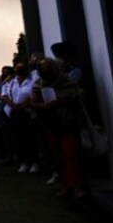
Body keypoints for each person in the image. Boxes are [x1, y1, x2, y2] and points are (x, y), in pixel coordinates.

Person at [31, 57, 86, 199]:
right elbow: (33, 103)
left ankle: (77, 186)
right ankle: (66, 185)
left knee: (71, 155)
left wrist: (60, 101)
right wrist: (46, 105)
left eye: (47, 66)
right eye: (42, 67)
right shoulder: (39, 84)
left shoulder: (66, 81)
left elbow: (77, 96)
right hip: (50, 122)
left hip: (67, 121)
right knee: (58, 156)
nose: (45, 69)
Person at [2, 57, 39, 174]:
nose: (19, 69)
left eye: (21, 67)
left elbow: (34, 95)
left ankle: (34, 162)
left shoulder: (32, 81)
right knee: (18, 139)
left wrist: (24, 105)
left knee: (31, 138)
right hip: (15, 112)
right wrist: (12, 105)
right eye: (17, 67)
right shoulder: (11, 82)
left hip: (28, 112)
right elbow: (4, 95)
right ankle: (23, 162)